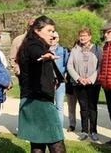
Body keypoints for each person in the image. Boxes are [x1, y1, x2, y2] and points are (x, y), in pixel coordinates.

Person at [16, 15, 66, 152]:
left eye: (53, 31)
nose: (53, 34)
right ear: (37, 31)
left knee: (37, 145)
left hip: (31, 100)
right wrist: (44, 56)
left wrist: (55, 79)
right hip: (40, 102)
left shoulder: (31, 43)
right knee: (56, 143)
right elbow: (35, 53)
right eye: (49, 30)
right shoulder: (34, 45)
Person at [67, 28, 102, 142]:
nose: (83, 37)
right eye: (81, 35)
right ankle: (84, 131)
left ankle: (93, 131)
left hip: (94, 83)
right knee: (83, 107)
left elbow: (100, 67)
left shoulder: (97, 49)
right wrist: (78, 78)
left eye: (85, 35)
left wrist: (91, 79)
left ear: (90, 37)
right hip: (79, 83)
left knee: (92, 107)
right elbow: (69, 66)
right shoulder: (75, 50)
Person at [50, 32, 69, 127]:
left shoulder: (63, 50)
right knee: (49, 106)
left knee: (59, 106)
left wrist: (62, 75)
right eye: (51, 37)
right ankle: (50, 128)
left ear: (58, 38)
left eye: (55, 37)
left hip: (60, 82)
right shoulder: (44, 50)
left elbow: (67, 65)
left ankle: (59, 129)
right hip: (48, 82)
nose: (52, 39)